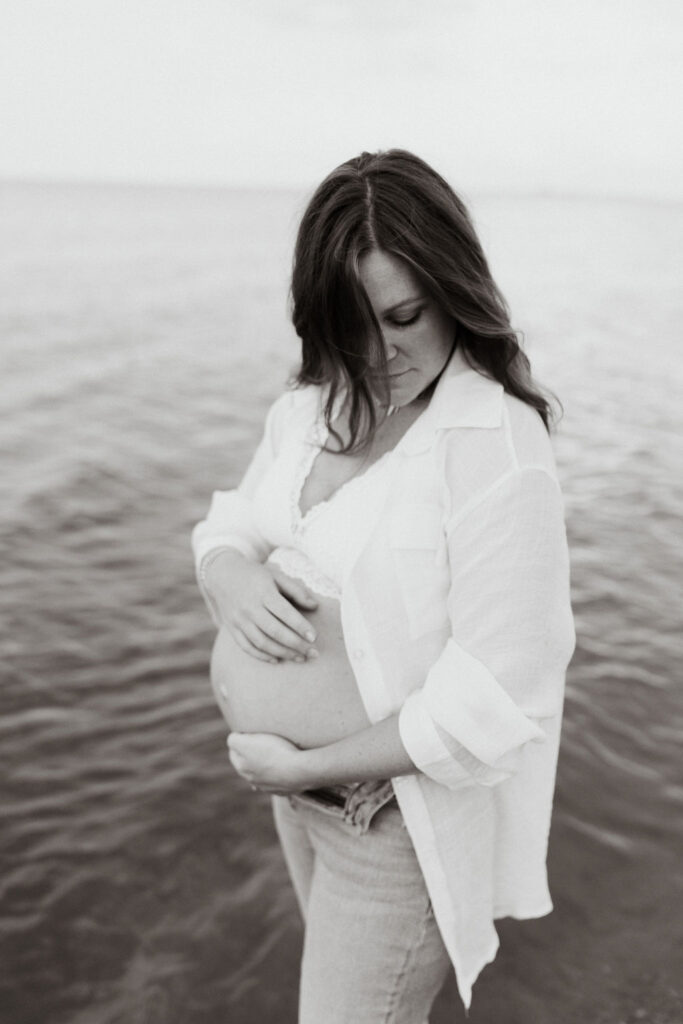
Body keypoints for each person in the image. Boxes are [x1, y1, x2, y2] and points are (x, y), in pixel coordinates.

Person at [191, 149, 576, 1022]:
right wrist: (231, 574)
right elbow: (228, 523)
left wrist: (308, 764)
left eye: (403, 315)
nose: (379, 355)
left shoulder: (494, 445)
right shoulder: (313, 405)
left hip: (389, 824)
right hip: (298, 803)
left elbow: (494, 697)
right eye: (348, 326)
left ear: (454, 289)